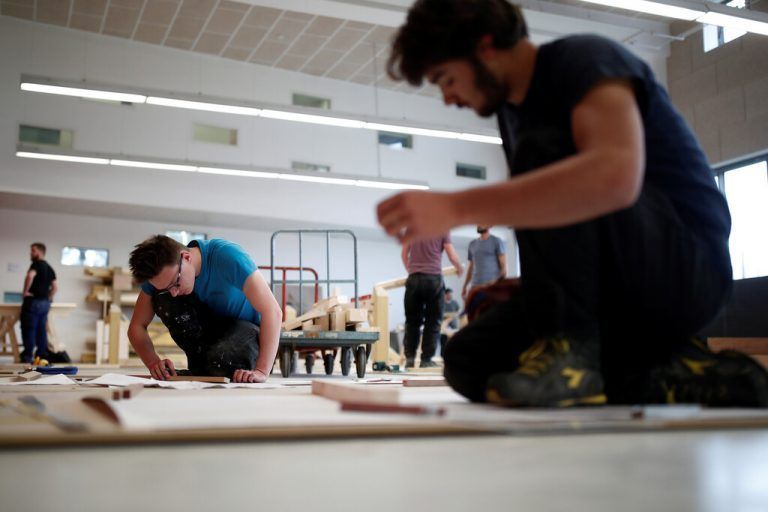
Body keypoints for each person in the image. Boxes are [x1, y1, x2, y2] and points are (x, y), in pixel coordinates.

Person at [377, 0, 768, 407]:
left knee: (543, 156)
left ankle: (572, 352)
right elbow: (558, 217)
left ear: (485, 47)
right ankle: (676, 373)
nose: (448, 98)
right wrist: (544, 287)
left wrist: (456, 208)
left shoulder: (586, 59)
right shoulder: (512, 115)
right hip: (618, 285)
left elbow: (614, 177)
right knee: (470, 361)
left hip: (685, 273)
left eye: (446, 78)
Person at [128, 235, 282, 383]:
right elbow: (136, 326)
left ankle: (215, 365)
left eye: (176, 282)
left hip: (246, 332)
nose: (174, 292)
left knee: (223, 362)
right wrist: (153, 363)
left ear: (186, 257)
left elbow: (272, 311)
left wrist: (262, 371)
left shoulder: (228, 257)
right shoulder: (160, 277)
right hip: (210, 336)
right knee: (163, 297)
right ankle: (201, 364)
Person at [401, 235, 463, 368]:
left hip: (414, 279)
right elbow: (451, 255)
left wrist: (411, 271)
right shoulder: (441, 227)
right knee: (433, 321)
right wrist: (459, 267)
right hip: (433, 279)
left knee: (412, 322)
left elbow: (404, 254)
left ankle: (410, 359)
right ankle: (426, 360)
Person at [20, 242, 57, 363]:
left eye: (33, 251)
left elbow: (30, 276)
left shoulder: (35, 264)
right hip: (45, 303)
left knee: (29, 328)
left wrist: (25, 291)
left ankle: (27, 358)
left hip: (33, 301)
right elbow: (55, 287)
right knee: (41, 329)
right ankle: (41, 357)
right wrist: (48, 298)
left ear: (40, 252)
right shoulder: (49, 267)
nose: (31, 253)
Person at [461, 226, 506, 301]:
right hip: (475, 286)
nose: (479, 224)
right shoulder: (472, 244)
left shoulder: (497, 241)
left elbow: (504, 267)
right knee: (475, 311)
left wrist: (499, 286)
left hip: (491, 287)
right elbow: (471, 267)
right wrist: (465, 286)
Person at [439, 287, 461, 356]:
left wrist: (451, 315)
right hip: (444, 328)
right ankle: (443, 357)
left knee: (454, 343)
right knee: (443, 343)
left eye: (451, 294)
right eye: (448, 294)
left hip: (454, 326)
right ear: (445, 295)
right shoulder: (441, 303)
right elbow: (441, 314)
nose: (450, 296)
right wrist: (451, 315)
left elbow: (458, 312)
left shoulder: (455, 303)